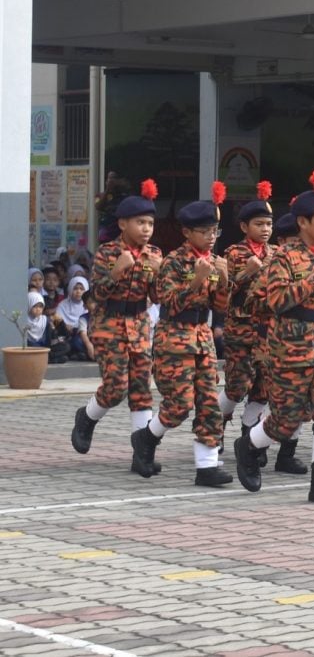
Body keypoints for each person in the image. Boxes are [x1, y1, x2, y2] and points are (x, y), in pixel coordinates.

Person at [234, 170, 314, 506]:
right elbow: (271, 302)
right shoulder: (283, 257)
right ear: (302, 222)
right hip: (291, 348)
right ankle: (249, 445)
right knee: (286, 420)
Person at [132, 182, 231, 486]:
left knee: (209, 404)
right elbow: (167, 302)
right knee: (179, 405)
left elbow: (219, 305)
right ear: (187, 233)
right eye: (205, 232)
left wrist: (225, 281)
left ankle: (207, 466)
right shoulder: (174, 261)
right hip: (175, 339)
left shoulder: (215, 260)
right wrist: (194, 283)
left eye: (215, 232)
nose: (211, 238)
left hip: (202, 338)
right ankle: (146, 438)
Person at [71, 179, 164, 467]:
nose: (146, 228)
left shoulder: (155, 255)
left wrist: (161, 276)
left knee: (141, 389)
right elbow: (94, 296)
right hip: (108, 325)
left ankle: (142, 452)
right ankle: (86, 417)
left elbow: (158, 296)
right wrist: (115, 272)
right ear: (123, 224)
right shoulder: (107, 252)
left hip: (139, 325)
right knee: (115, 387)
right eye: (140, 222)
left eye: (150, 222)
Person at [216, 182, 295, 467]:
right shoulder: (233, 254)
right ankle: (215, 426)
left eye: (269, 224)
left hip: (268, 331)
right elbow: (223, 296)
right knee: (237, 385)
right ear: (243, 226)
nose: (265, 229)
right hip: (241, 329)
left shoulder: (277, 253)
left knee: (262, 388)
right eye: (259, 224)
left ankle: (249, 438)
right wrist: (246, 273)